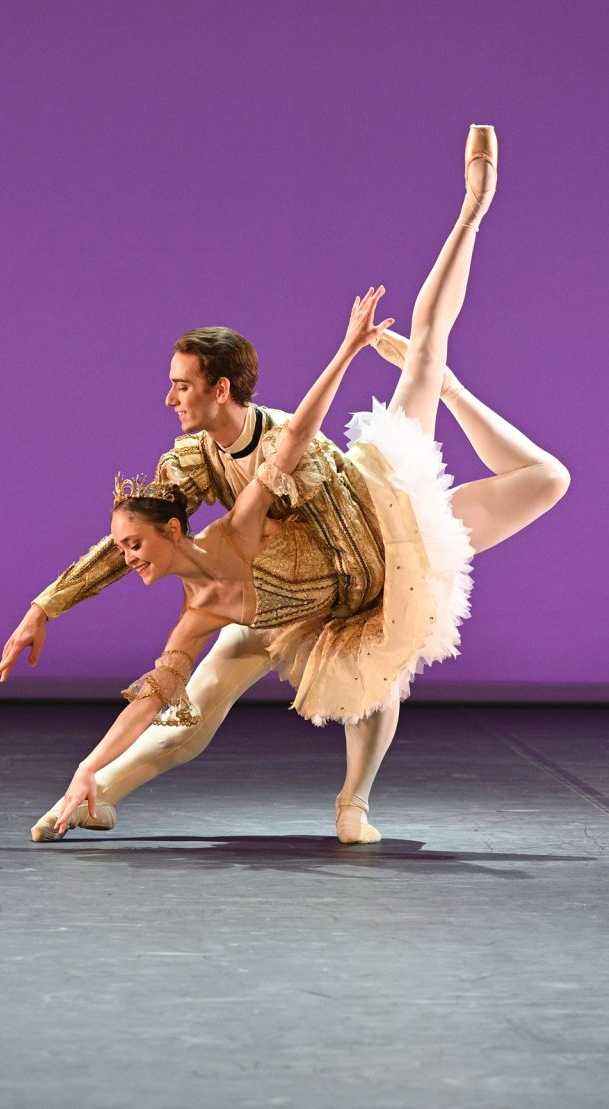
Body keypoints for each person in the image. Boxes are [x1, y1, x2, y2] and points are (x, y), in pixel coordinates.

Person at [28, 125, 572, 843]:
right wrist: (52, 621)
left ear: (220, 387)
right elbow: (135, 567)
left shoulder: (259, 485)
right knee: (202, 701)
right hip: (288, 592)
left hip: (379, 534)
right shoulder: (196, 498)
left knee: (474, 431)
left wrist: (359, 349)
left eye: (180, 386)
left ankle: (355, 800)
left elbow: (300, 435)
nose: (169, 399)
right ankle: (98, 794)